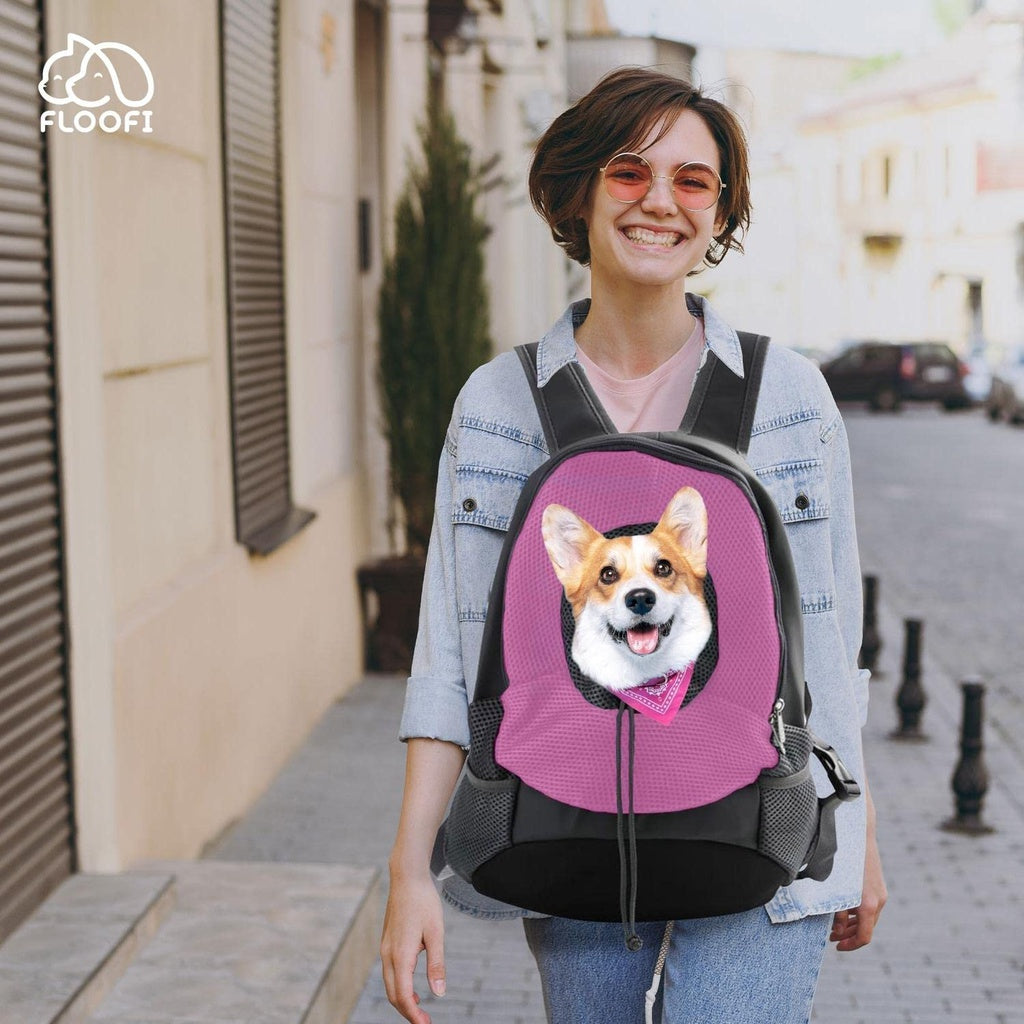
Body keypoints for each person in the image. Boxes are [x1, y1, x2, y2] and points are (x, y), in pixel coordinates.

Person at [381, 67, 887, 1024]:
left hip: (765, 823)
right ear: (577, 191)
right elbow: (451, 653)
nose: (661, 202)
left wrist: (859, 827)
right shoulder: (497, 405)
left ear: (721, 211)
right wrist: (410, 870)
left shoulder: (790, 398)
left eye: (694, 182)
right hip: (567, 819)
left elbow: (827, 635)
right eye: (628, 172)